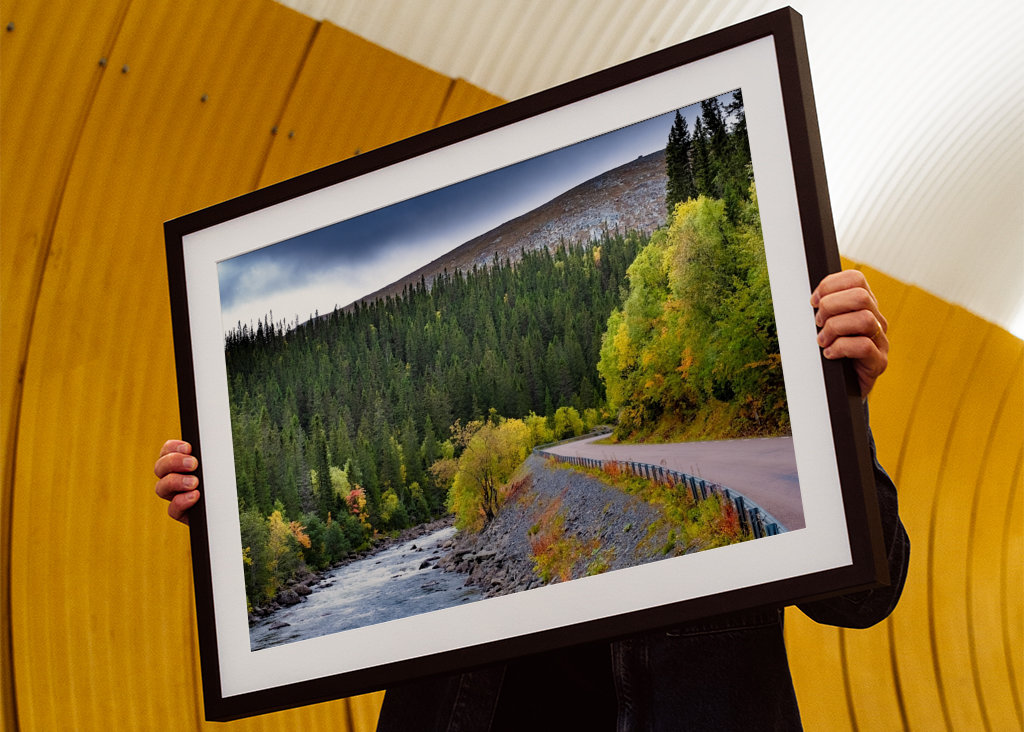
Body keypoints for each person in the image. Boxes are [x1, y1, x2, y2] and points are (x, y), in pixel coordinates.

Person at [154, 270, 908, 730]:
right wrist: (229, 518)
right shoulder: (508, 506)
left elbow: (865, 597)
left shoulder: (797, 373)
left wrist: (840, 405)